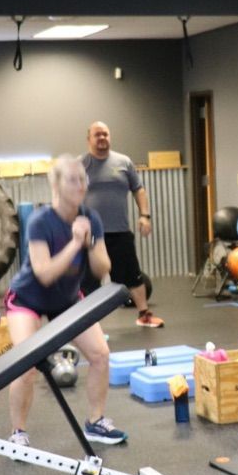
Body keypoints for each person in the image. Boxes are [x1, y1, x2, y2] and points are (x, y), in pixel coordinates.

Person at [5, 155, 126, 448]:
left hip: (67, 299)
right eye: (72, 180)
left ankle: (95, 422)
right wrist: (74, 243)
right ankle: (18, 432)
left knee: (100, 354)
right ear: (56, 184)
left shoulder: (90, 218)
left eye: (83, 179)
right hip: (28, 299)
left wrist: (89, 243)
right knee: (26, 365)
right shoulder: (40, 221)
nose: (81, 185)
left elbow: (102, 269)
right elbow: (44, 274)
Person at [81, 120, 163, 328]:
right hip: (91, 235)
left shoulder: (123, 162)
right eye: (97, 135)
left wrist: (145, 216)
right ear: (88, 139)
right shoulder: (80, 165)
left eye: (105, 134)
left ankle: (144, 315)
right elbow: (69, 196)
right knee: (88, 283)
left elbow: (139, 189)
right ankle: (90, 325)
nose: (102, 138)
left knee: (132, 275)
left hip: (120, 232)